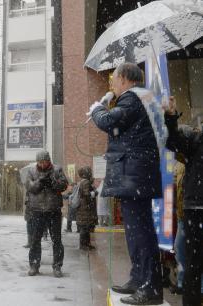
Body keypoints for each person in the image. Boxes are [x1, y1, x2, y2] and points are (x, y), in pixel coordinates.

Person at [90, 62, 163, 305]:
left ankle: (149, 286)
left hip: (134, 174)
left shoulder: (132, 98)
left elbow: (109, 121)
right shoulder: (143, 99)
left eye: (114, 79)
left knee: (140, 233)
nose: (112, 84)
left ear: (124, 79)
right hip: (136, 175)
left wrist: (97, 109)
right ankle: (138, 278)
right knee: (136, 232)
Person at [164, 97, 203, 306]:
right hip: (195, 210)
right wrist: (171, 117)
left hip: (194, 208)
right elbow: (173, 142)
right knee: (193, 264)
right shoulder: (197, 141)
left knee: (193, 264)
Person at [25, 150, 68, 277]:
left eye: (45, 162)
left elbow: (64, 185)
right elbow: (30, 187)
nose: (42, 164)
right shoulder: (31, 171)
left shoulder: (57, 170)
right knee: (35, 240)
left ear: (49, 161)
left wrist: (53, 183)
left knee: (57, 240)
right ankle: (34, 265)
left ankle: (57, 266)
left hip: (53, 209)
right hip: (37, 210)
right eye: (40, 162)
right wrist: (40, 182)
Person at [75, 167, 98, 251]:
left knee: (86, 227)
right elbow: (86, 194)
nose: (91, 173)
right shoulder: (85, 182)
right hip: (85, 209)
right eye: (90, 172)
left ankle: (87, 244)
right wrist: (94, 193)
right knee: (84, 228)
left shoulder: (82, 181)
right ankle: (83, 245)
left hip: (83, 209)